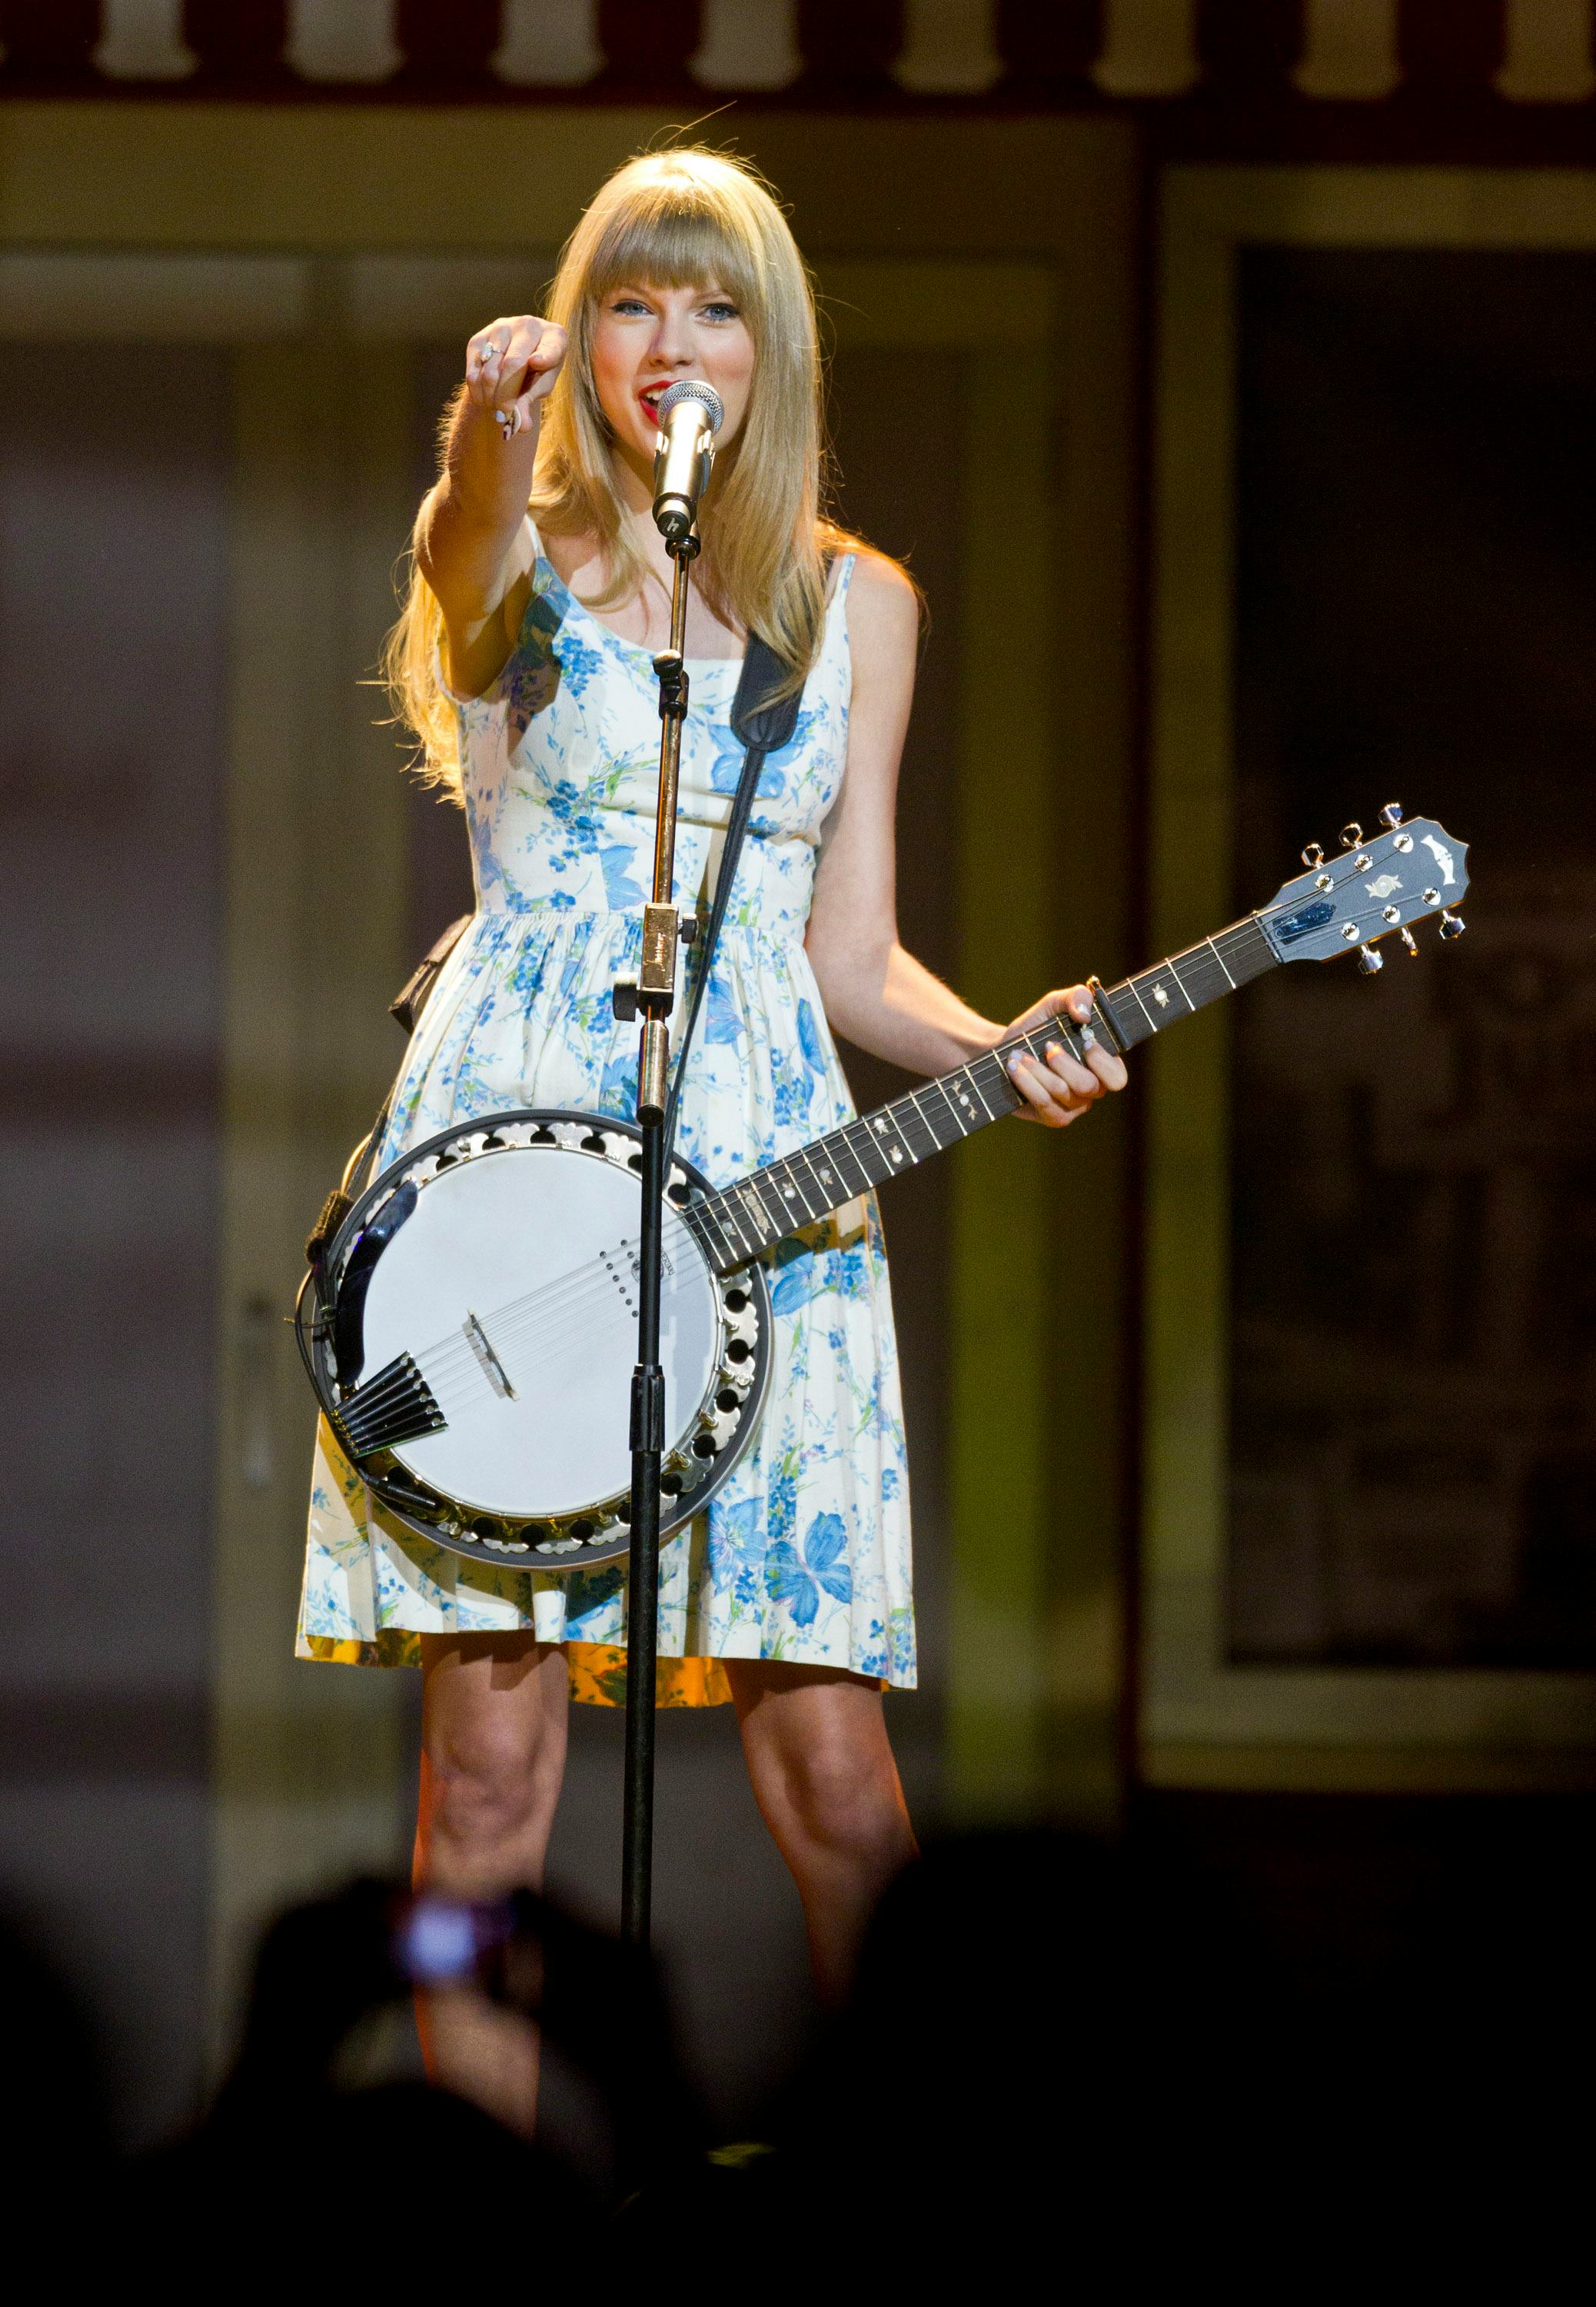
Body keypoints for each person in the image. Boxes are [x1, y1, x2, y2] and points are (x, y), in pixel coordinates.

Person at [297, 145, 1126, 2129]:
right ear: (581, 340)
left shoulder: (861, 608)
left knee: (840, 1781)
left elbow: (850, 953)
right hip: (516, 1185)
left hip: (766, 1180)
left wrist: (998, 1042)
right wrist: (486, 434)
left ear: (778, 344)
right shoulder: (508, 546)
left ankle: (916, 2166)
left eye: (718, 305)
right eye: (635, 304)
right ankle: (465, 2186)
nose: (676, 344)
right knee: (485, 1785)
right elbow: (464, 549)